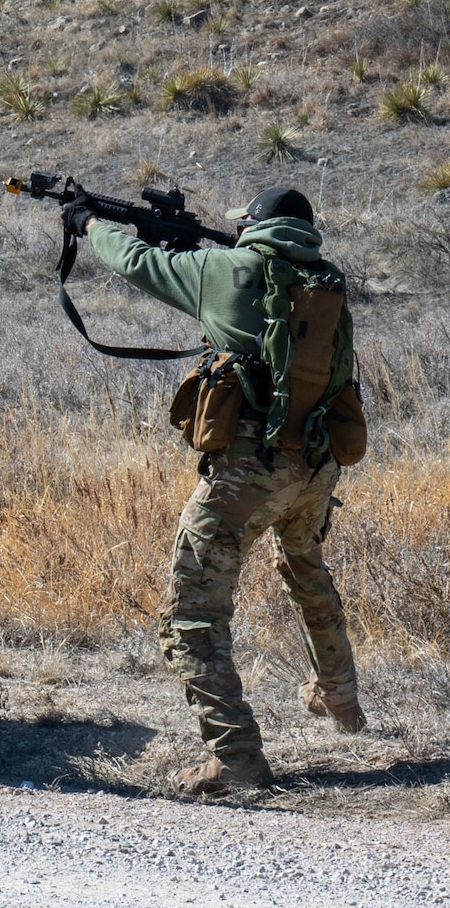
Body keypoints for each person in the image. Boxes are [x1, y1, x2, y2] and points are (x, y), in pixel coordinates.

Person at [72, 185, 363, 796]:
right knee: (306, 569)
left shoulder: (223, 268)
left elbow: (137, 264)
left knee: (191, 614)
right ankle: (343, 705)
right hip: (315, 465)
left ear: (252, 226)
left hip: (246, 473)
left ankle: (236, 758)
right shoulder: (326, 281)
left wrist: (91, 222)